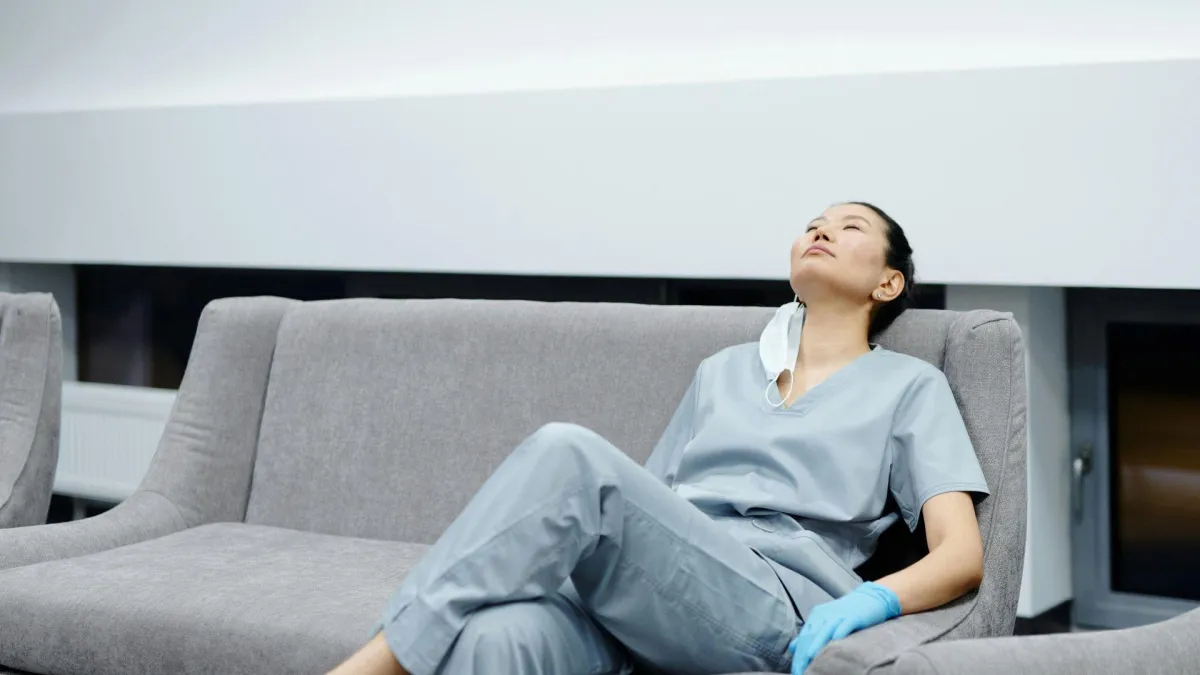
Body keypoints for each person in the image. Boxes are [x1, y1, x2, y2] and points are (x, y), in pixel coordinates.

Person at [329, 202, 990, 675]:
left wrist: (874, 598)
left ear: (887, 282)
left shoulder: (910, 386)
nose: (821, 230)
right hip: (661, 594)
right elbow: (648, 507)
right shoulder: (722, 371)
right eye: (813, 224)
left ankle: (372, 664)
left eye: (849, 228)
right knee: (491, 638)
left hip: (768, 602)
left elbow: (961, 555)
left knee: (569, 453)